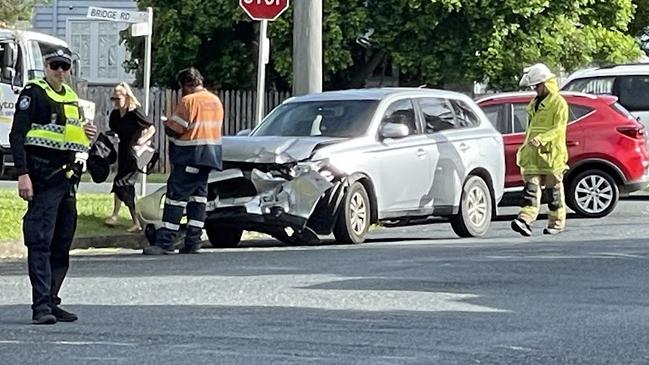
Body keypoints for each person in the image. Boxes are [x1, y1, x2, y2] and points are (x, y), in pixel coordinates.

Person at [9, 46, 97, 324]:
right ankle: (41, 307)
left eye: (65, 66)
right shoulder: (33, 92)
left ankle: (52, 298)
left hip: (67, 178)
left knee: (62, 242)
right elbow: (17, 135)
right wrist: (22, 174)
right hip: (41, 176)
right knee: (41, 241)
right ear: (46, 66)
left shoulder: (71, 97)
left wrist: (88, 136)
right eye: (55, 65)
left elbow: (71, 138)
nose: (60, 71)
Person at [142, 67, 223, 255]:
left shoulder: (188, 101)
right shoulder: (215, 100)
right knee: (198, 199)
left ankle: (166, 242)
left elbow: (177, 129)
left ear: (185, 85)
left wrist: (166, 123)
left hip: (189, 156)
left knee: (176, 198)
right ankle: (194, 241)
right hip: (209, 157)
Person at [511, 63, 569, 236]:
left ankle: (556, 223)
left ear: (546, 83)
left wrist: (542, 139)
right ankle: (524, 220)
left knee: (554, 193)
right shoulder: (534, 104)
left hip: (552, 156)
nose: (535, 89)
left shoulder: (559, 104)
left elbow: (560, 129)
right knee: (530, 190)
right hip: (532, 155)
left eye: (537, 86)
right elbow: (530, 130)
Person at [103, 82, 155, 233]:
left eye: (117, 98)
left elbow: (151, 128)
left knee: (123, 184)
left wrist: (142, 140)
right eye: (113, 99)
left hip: (135, 155)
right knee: (119, 183)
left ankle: (136, 221)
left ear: (126, 97)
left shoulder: (135, 112)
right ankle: (116, 215)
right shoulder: (115, 115)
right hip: (123, 152)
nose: (115, 102)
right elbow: (114, 131)